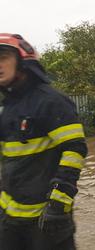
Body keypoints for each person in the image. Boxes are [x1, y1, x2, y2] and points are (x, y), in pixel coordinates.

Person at [0, 33, 88, 250]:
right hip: (9, 220)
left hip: (47, 220)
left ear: (22, 60)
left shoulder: (51, 101)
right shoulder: (8, 107)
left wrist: (58, 203)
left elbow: (75, 149)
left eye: (3, 57)